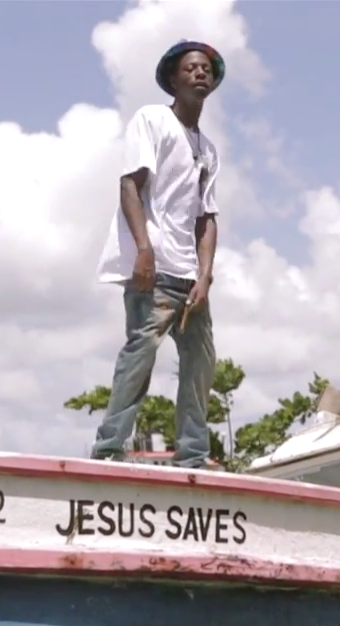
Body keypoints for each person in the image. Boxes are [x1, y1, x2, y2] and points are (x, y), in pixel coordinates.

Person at [91, 40, 225, 468]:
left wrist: (205, 275)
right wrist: (143, 250)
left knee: (201, 362)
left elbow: (206, 218)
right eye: (191, 68)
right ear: (172, 78)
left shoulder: (208, 149)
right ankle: (109, 449)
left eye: (206, 69)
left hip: (189, 276)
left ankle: (193, 455)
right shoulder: (152, 119)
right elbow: (129, 184)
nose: (200, 73)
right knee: (141, 352)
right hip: (153, 268)